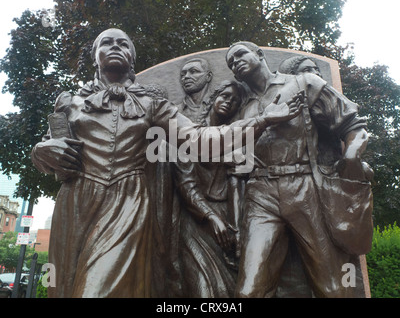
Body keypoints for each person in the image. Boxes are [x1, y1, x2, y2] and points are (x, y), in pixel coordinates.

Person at [30, 29, 303, 298]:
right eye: (107, 43)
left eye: (123, 44)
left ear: (131, 59)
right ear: (95, 56)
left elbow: (200, 139)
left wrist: (262, 120)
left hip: (126, 203)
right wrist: (42, 151)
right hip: (75, 203)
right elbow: (48, 148)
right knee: (65, 287)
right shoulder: (70, 103)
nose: (115, 47)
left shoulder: (152, 105)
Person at [226, 41, 371, 298]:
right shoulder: (243, 110)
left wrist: (350, 160)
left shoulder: (304, 83)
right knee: (249, 292)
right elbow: (238, 166)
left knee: (332, 287)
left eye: (239, 54)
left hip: (304, 187)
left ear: (259, 54)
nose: (235, 62)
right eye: (230, 63)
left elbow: (352, 125)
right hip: (260, 195)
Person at [172, 80, 245, 297]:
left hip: (229, 214)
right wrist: (211, 217)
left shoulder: (238, 136)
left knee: (232, 287)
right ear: (213, 98)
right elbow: (186, 183)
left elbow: (237, 182)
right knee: (204, 286)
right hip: (196, 218)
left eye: (235, 101)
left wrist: (236, 226)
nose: (228, 103)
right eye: (224, 96)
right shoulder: (189, 133)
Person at [178, 58, 213, 123]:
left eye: (193, 71)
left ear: (208, 76)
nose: (186, 76)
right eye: (183, 74)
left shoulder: (220, 106)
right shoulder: (175, 111)